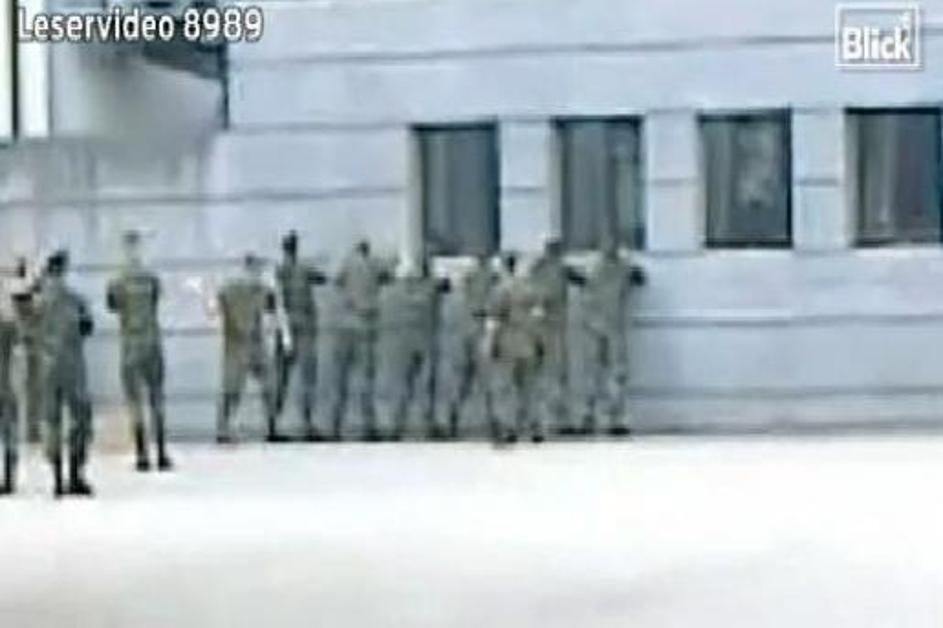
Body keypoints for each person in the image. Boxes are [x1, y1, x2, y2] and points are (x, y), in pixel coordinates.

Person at [106, 230, 172, 471]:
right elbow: (156, 302)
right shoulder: (152, 279)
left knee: (135, 401)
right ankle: (162, 453)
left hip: (130, 344)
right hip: (152, 340)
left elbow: (113, 306)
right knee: (157, 397)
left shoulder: (117, 282)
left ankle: (142, 454)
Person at [39, 250, 95, 497]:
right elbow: (87, 328)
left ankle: (56, 477)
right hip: (73, 365)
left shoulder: (36, 300)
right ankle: (75, 474)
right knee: (80, 419)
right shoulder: (76, 300)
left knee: (51, 420)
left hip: (46, 366)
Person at [578, 244, 646, 436]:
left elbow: (640, 278)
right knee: (593, 372)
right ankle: (589, 415)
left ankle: (614, 417)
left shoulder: (621, 267)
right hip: (594, 325)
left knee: (615, 373)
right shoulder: (593, 266)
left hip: (611, 325)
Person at [328, 241, 392, 441]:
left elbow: (337, 282)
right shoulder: (375, 264)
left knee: (340, 380)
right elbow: (389, 277)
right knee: (366, 379)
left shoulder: (347, 263)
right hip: (366, 325)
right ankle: (368, 425)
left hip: (345, 324)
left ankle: (335, 425)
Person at [382, 260, 450, 441]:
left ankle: (396, 425)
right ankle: (425, 425)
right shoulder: (431, 289)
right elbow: (445, 285)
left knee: (402, 384)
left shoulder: (395, 291)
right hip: (425, 340)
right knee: (425, 385)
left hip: (402, 341)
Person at [216, 254, 280, 443]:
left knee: (269, 385)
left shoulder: (260, 289)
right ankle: (223, 428)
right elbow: (221, 302)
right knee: (232, 388)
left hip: (254, 342)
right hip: (237, 344)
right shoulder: (234, 288)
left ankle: (271, 427)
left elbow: (271, 307)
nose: (257, 272)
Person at [485, 252, 545, 444]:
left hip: (507, 342)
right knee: (529, 387)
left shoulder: (500, 290)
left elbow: (494, 320)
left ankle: (508, 427)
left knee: (505, 387)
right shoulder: (532, 289)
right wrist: (539, 341)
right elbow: (538, 318)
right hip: (528, 343)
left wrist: (490, 343)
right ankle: (534, 426)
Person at [528, 238, 586, 436]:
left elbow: (582, 281)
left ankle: (559, 418)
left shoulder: (562, 269)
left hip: (557, 326)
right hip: (540, 327)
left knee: (558, 373)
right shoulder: (537, 269)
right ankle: (545, 419)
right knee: (544, 373)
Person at [274, 231, 328, 441]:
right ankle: (305, 422)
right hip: (300, 327)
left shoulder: (281, 271)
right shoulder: (301, 269)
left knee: (283, 378)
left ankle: (275, 423)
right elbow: (322, 278)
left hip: (287, 328)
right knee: (304, 376)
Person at [444, 253, 498, 438]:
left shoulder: (468, 279)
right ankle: (492, 420)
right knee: (488, 380)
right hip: (480, 331)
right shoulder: (490, 280)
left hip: (467, 329)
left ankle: (452, 418)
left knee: (463, 379)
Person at [10, 257, 42, 444]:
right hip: (26, 346)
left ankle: (29, 430)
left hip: (24, 346)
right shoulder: (24, 294)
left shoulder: (19, 292)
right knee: (30, 389)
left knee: (28, 390)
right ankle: (30, 431)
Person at [0, 304, 18, 495]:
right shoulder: (7, 327)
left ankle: (8, 479)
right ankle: (8, 480)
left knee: (8, 433)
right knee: (9, 434)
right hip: (4, 386)